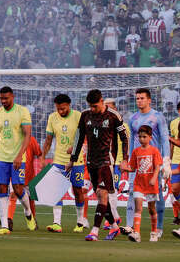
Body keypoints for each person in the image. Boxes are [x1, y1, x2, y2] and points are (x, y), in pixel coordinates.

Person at [70, 89, 128, 241]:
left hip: (106, 160)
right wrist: (72, 159)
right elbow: (79, 137)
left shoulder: (113, 115)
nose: (93, 109)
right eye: (90, 106)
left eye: (95, 106)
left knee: (102, 194)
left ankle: (94, 231)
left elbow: (125, 138)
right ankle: (115, 228)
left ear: (102, 101)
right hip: (91, 161)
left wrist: (124, 159)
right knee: (100, 196)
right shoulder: (85, 115)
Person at [0, 86, 35, 234]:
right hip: (2, 158)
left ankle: (28, 212)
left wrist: (19, 155)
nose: (3, 101)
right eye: (1, 99)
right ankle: (4, 225)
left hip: (18, 158)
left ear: (13, 96)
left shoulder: (22, 111)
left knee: (17, 189)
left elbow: (27, 135)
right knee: (2, 189)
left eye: (6, 98)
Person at [42, 92, 87, 233]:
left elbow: (85, 138)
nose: (60, 111)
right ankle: (57, 223)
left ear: (69, 105)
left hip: (76, 161)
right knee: (56, 191)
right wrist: (43, 157)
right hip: (59, 160)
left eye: (63, 108)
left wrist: (74, 149)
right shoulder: (52, 118)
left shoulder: (78, 116)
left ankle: (80, 222)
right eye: (58, 109)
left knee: (77, 190)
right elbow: (49, 139)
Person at [125, 88, 167, 233]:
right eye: (137, 98)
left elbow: (164, 138)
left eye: (142, 98)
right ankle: (130, 226)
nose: (139, 101)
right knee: (132, 192)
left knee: (157, 194)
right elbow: (131, 139)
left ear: (149, 100)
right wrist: (129, 159)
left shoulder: (157, 116)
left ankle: (159, 227)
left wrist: (165, 160)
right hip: (137, 161)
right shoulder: (133, 118)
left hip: (153, 163)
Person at [126, 125, 166, 242]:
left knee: (151, 209)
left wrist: (154, 178)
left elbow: (158, 166)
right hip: (139, 183)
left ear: (150, 137)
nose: (141, 139)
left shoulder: (154, 151)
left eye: (144, 137)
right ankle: (136, 233)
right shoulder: (136, 151)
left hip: (151, 184)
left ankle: (154, 232)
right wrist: (125, 168)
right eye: (140, 137)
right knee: (138, 208)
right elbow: (133, 168)